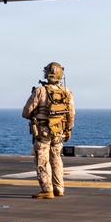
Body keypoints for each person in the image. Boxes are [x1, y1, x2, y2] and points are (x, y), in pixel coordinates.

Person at [22, 61, 75, 199]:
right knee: (57, 159)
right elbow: (71, 113)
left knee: (43, 160)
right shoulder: (67, 92)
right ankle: (59, 188)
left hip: (43, 131)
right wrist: (68, 129)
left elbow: (26, 112)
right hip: (59, 131)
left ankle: (47, 189)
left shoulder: (40, 91)